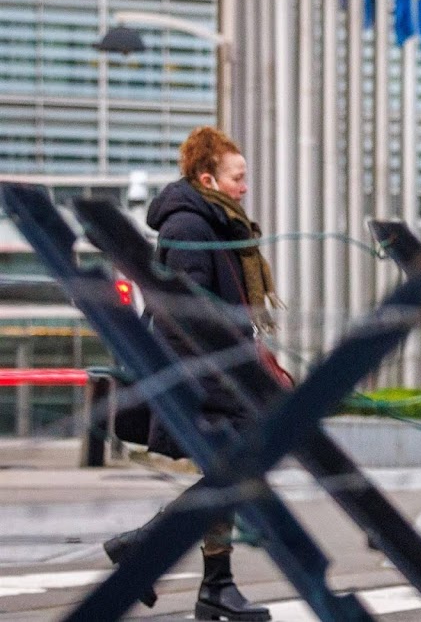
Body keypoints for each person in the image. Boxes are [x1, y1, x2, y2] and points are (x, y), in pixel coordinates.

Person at [103, 126, 274, 622]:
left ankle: (211, 584)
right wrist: (223, 382)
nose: (245, 187)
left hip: (220, 371)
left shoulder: (217, 224)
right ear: (208, 177)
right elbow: (181, 317)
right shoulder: (188, 228)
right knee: (234, 472)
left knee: (228, 477)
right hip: (203, 378)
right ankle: (149, 548)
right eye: (237, 177)